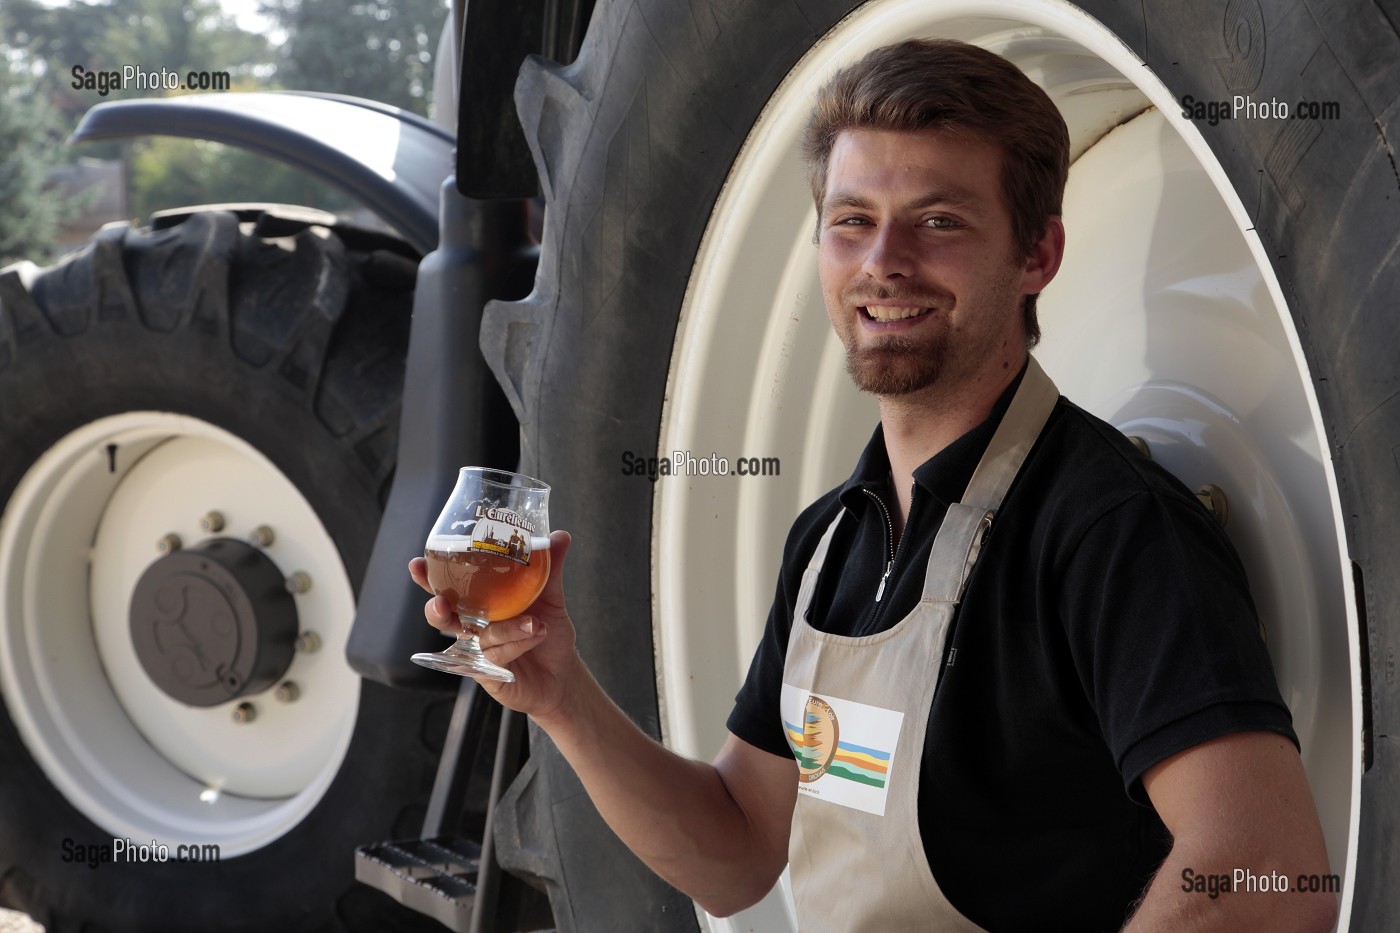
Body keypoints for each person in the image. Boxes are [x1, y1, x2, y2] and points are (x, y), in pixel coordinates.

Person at [409, 38, 1337, 932]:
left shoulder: (1110, 530)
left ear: (1037, 256)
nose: (883, 261)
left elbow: (1270, 873)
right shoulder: (831, 543)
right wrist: (562, 695)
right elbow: (736, 853)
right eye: (851, 221)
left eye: (939, 221)